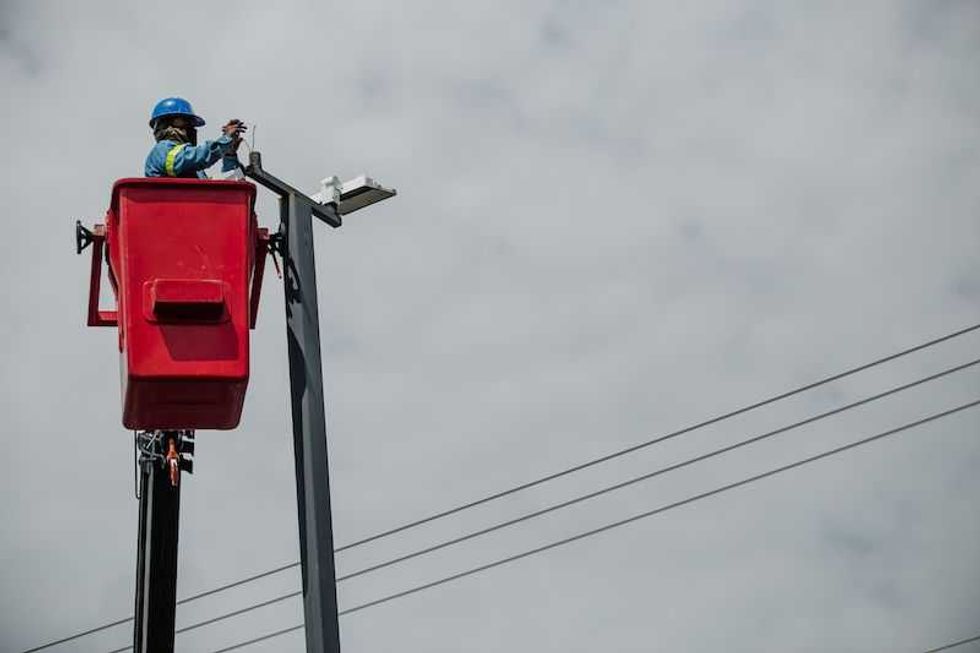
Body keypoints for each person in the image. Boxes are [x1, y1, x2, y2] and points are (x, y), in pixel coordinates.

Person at [144, 97, 247, 178]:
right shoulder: (162, 150)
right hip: (171, 204)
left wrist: (229, 154)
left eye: (190, 124)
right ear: (164, 125)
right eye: (182, 121)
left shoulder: (196, 171)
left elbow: (230, 185)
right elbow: (194, 156)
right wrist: (225, 139)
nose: (188, 128)